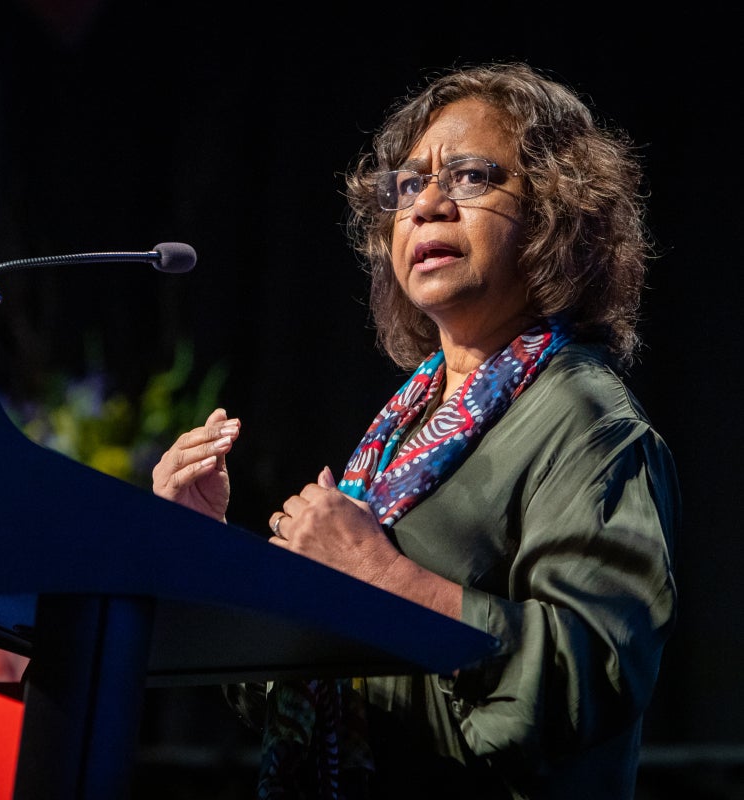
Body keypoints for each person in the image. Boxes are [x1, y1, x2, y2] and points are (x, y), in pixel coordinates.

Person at [151, 61, 679, 799]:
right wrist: (202, 551)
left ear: (554, 211)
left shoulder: (587, 424)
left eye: (467, 176)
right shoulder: (408, 426)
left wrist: (382, 575)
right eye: (406, 187)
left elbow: (583, 681)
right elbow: (299, 678)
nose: (426, 204)